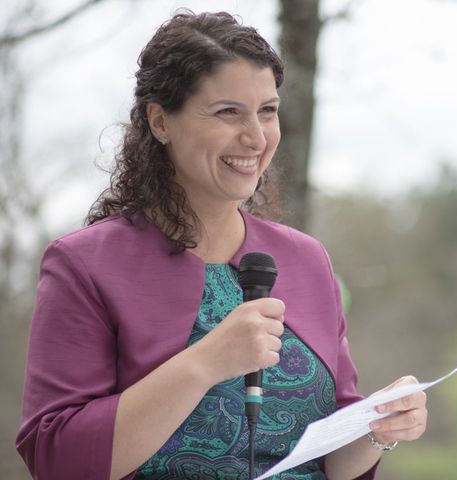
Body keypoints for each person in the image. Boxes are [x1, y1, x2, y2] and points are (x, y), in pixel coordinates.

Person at [16, 10, 427, 480]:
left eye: (267, 111)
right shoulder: (84, 264)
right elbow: (57, 459)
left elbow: (332, 461)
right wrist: (206, 362)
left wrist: (378, 427)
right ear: (160, 121)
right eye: (228, 112)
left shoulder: (306, 259)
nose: (255, 137)